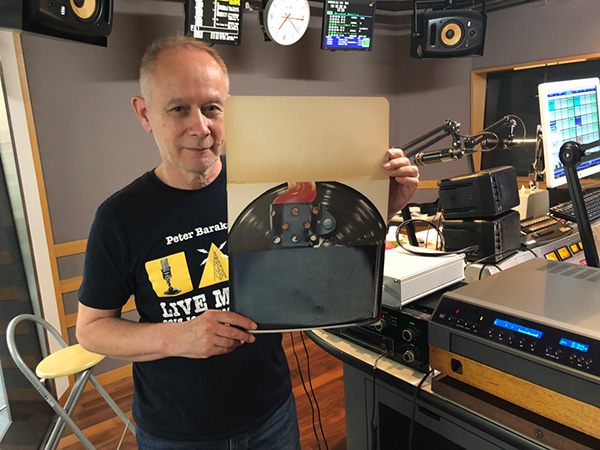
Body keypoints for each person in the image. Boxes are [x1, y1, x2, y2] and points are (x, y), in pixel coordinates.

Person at [76, 35, 419, 449]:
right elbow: (91, 330)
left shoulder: (266, 187)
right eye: (178, 108)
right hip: (178, 432)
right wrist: (179, 336)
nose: (200, 127)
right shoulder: (119, 217)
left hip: (270, 413)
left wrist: (385, 208)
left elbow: (322, 267)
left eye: (211, 108)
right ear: (145, 113)